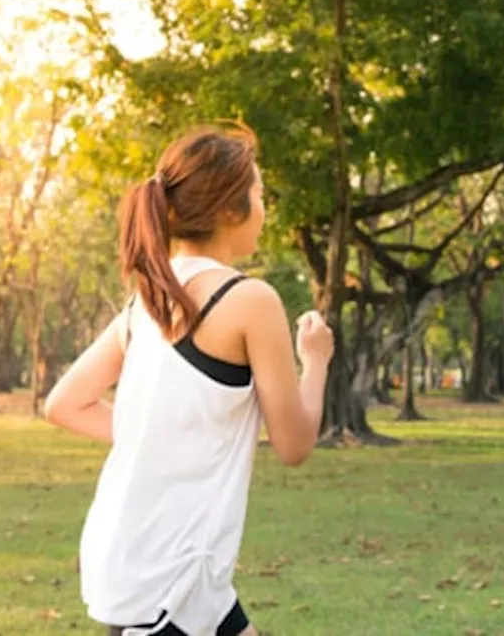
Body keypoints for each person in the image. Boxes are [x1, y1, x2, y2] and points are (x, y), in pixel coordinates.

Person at [42, 123, 334, 636]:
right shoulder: (249, 301)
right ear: (228, 208)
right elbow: (294, 444)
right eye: (260, 195)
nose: (265, 211)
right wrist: (316, 361)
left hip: (140, 561)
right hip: (170, 578)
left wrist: (162, 434)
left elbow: (65, 404)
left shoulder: (146, 301)